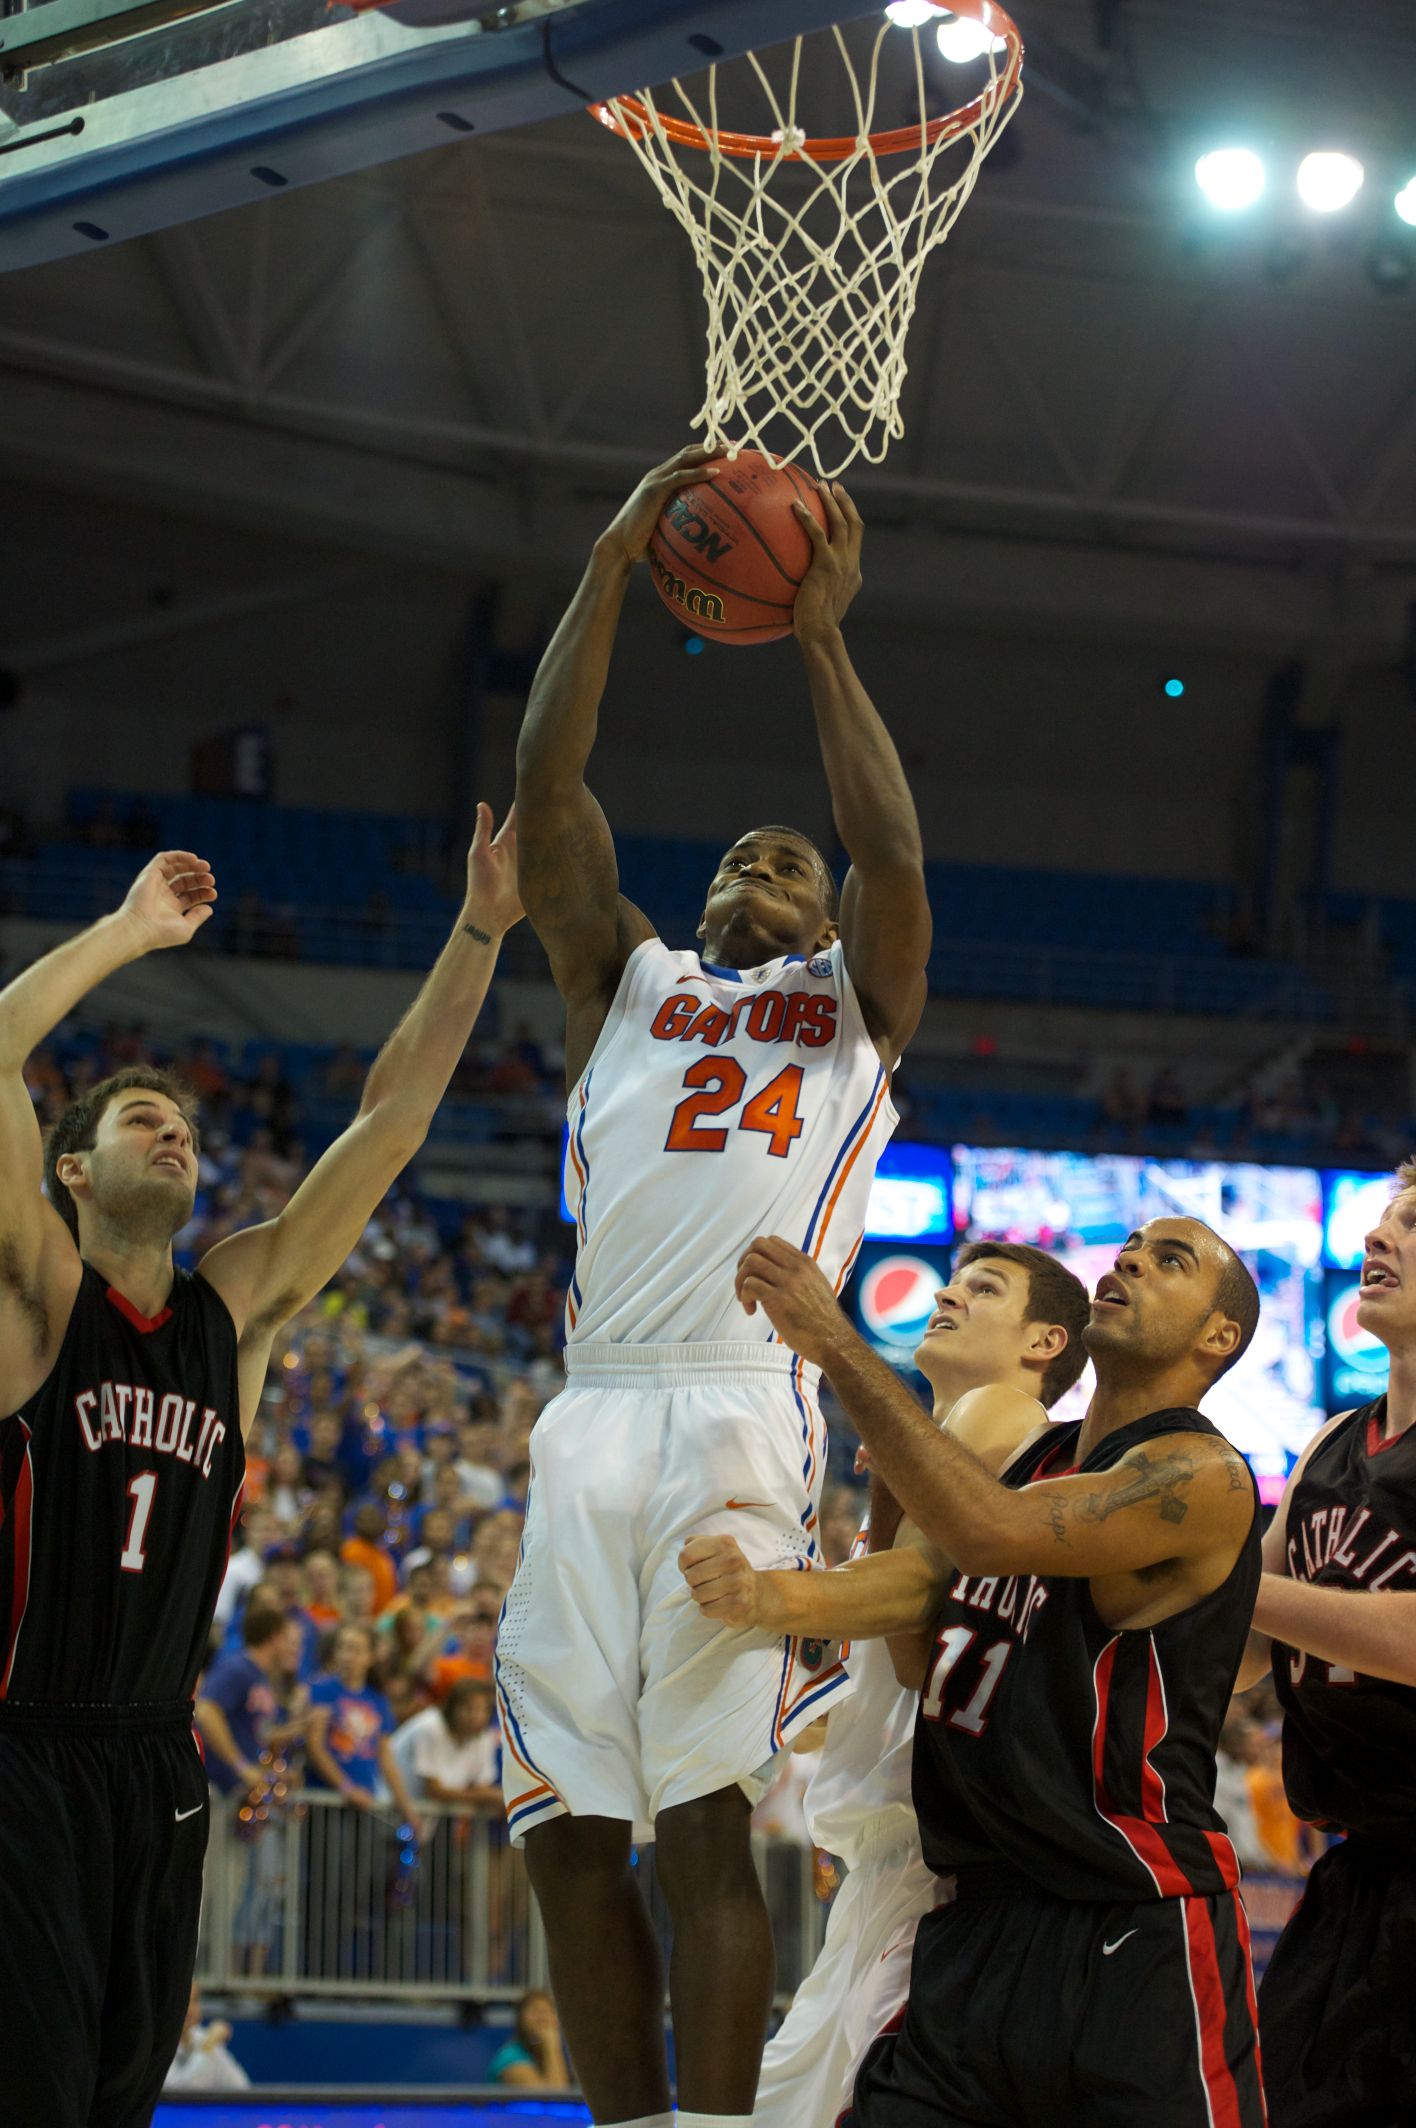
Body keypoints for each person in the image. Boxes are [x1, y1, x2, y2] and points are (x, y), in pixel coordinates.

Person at [502, 441, 931, 2128]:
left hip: (741, 1396)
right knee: (562, 1824)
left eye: (789, 857)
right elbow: (548, 794)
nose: (765, 857)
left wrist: (821, 636)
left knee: (701, 1818)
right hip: (592, 1395)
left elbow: (890, 848)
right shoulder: (624, 975)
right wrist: (608, 568)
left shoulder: (854, 1004)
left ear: (821, 913)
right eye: (741, 851)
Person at [0, 818, 521, 2128]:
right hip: (20, 1752)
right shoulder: (34, 1301)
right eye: (138, 1119)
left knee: (120, 2096)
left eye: (182, 1124)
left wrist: (479, 933)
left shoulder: (234, 1312)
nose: (174, 1135)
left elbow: (392, 1125)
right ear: (71, 1170)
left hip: (157, 1766)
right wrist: (127, 934)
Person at [719, 1217, 1266, 2128]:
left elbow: (993, 1534)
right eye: (1129, 1245)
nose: (1129, 1258)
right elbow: (917, 1618)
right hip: (973, 1918)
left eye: (1172, 1260)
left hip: (1129, 1921)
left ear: (1219, 1337)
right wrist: (762, 1595)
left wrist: (837, 1343)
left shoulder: (1201, 1473)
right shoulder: (1036, 1462)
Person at [699, 1244, 1088, 2128]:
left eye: (985, 1288)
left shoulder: (998, 1411)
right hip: (886, 1878)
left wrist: (763, 1596)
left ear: (1044, 1343)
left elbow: (911, 1604)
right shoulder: (931, 1453)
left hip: (940, 1871)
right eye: (956, 1278)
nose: (948, 1290)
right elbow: (857, 1705)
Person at [1236, 1154, 1416, 2127]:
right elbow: (1244, 1656)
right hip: (1350, 1881)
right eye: (1380, 1221)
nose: (1374, 1237)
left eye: (1413, 1225)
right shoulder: (1330, 1444)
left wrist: (1228, 1587)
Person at [389, 1676, 501, 1811]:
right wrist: (490, 1796)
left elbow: (481, 1786)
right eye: (470, 1709)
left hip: (425, 1816)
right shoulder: (430, 1727)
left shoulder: (484, 1736)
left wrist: (488, 1796)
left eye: (483, 1710)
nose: (477, 1717)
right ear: (453, 1707)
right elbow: (434, 1790)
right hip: (388, 1806)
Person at [161, 1981, 250, 2094]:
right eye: (184, 2001)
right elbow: (181, 2093)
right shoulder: (159, 2046)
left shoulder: (204, 2037)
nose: (190, 2009)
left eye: (194, 2001)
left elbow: (241, 2087)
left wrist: (209, 2043)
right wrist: (207, 2046)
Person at [489, 1989, 572, 2092]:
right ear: (520, 2019)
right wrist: (551, 2046)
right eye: (536, 2011)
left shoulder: (557, 2055)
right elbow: (553, 2100)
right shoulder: (509, 2056)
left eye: (549, 2011)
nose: (543, 2018)